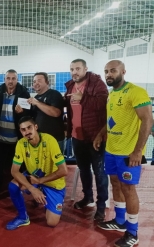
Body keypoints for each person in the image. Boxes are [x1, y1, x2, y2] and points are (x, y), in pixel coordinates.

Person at [94, 60, 152, 247]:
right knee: (115, 184)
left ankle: (132, 232)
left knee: (128, 189)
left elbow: (147, 121)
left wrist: (137, 151)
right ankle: (119, 221)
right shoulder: (112, 94)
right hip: (111, 150)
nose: (109, 74)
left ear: (123, 71)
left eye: (113, 71)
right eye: (106, 72)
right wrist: (100, 134)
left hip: (128, 153)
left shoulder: (136, 92)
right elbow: (113, 121)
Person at [64, 59, 109, 221]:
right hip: (77, 136)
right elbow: (69, 110)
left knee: (99, 172)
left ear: (85, 69)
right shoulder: (70, 85)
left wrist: (82, 97)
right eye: (72, 69)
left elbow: (103, 103)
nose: (74, 72)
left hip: (94, 136)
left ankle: (101, 206)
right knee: (83, 169)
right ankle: (88, 197)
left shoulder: (97, 83)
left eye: (77, 68)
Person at [6, 116, 67, 230]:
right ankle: (23, 217)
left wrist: (40, 181)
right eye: (23, 129)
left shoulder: (50, 141)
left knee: (51, 223)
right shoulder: (21, 144)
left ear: (36, 127)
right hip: (34, 178)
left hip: (53, 183)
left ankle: (47, 198)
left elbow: (64, 170)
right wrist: (32, 188)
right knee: (13, 186)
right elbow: (14, 171)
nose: (27, 132)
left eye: (29, 128)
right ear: (20, 131)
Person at [0, 69, 30, 191]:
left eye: (13, 78)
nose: (10, 81)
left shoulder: (24, 93)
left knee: (18, 166)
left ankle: (19, 188)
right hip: (0, 136)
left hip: (17, 138)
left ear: (17, 80)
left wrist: (22, 112)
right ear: (4, 79)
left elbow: (29, 114)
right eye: (8, 78)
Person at [28, 72, 65, 151]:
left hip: (55, 139)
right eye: (34, 81)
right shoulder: (36, 98)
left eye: (39, 81)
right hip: (40, 139)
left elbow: (56, 113)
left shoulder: (54, 94)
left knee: (56, 163)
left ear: (47, 82)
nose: (36, 83)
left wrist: (37, 103)